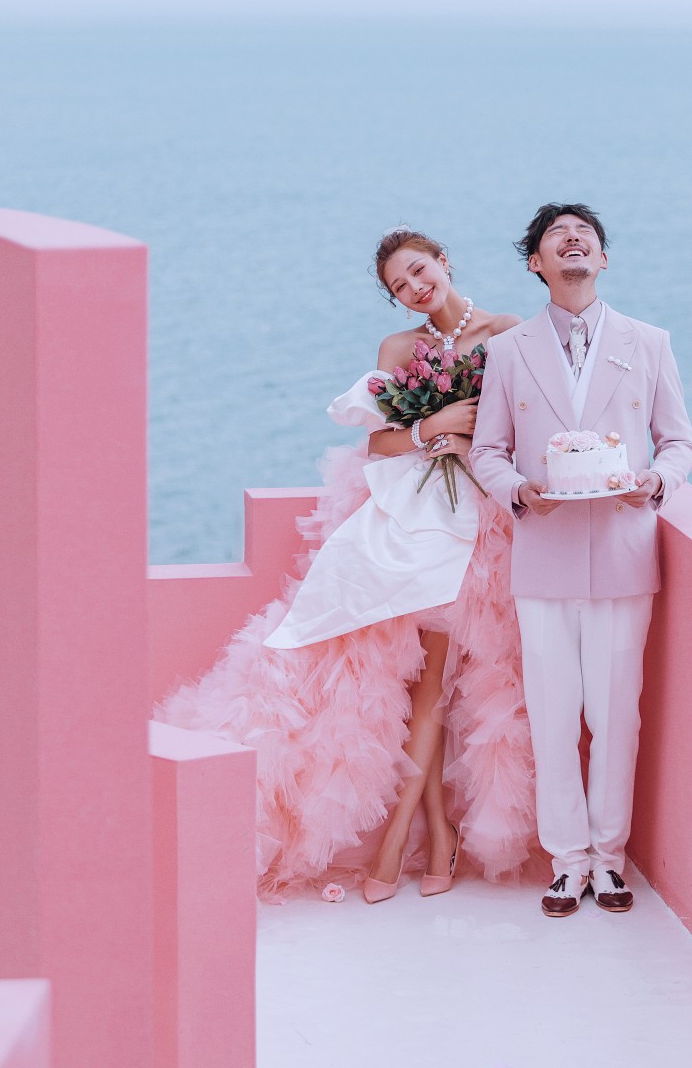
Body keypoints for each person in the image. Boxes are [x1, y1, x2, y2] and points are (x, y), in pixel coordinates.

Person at [160, 228, 536, 902]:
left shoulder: (506, 331)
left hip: (477, 529)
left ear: (444, 262)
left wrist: (469, 437)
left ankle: (397, 848)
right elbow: (382, 444)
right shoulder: (399, 349)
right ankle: (435, 838)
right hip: (407, 522)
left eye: (419, 270)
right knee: (414, 683)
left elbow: (522, 426)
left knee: (436, 685)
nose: (416, 287)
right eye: (400, 286)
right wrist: (435, 424)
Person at [471, 203, 692, 917]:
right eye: (556, 235)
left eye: (585, 235)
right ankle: (566, 862)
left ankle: (609, 859)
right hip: (543, 554)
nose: (573, 240)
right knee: (553, 718)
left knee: (616, 715)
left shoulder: (648, 342)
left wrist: (656, 482)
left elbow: (679, 443)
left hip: (623, 553)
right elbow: (487, 451)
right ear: (535, 263)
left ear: (603, 259)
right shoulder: (509, 351)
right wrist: (518, 491)